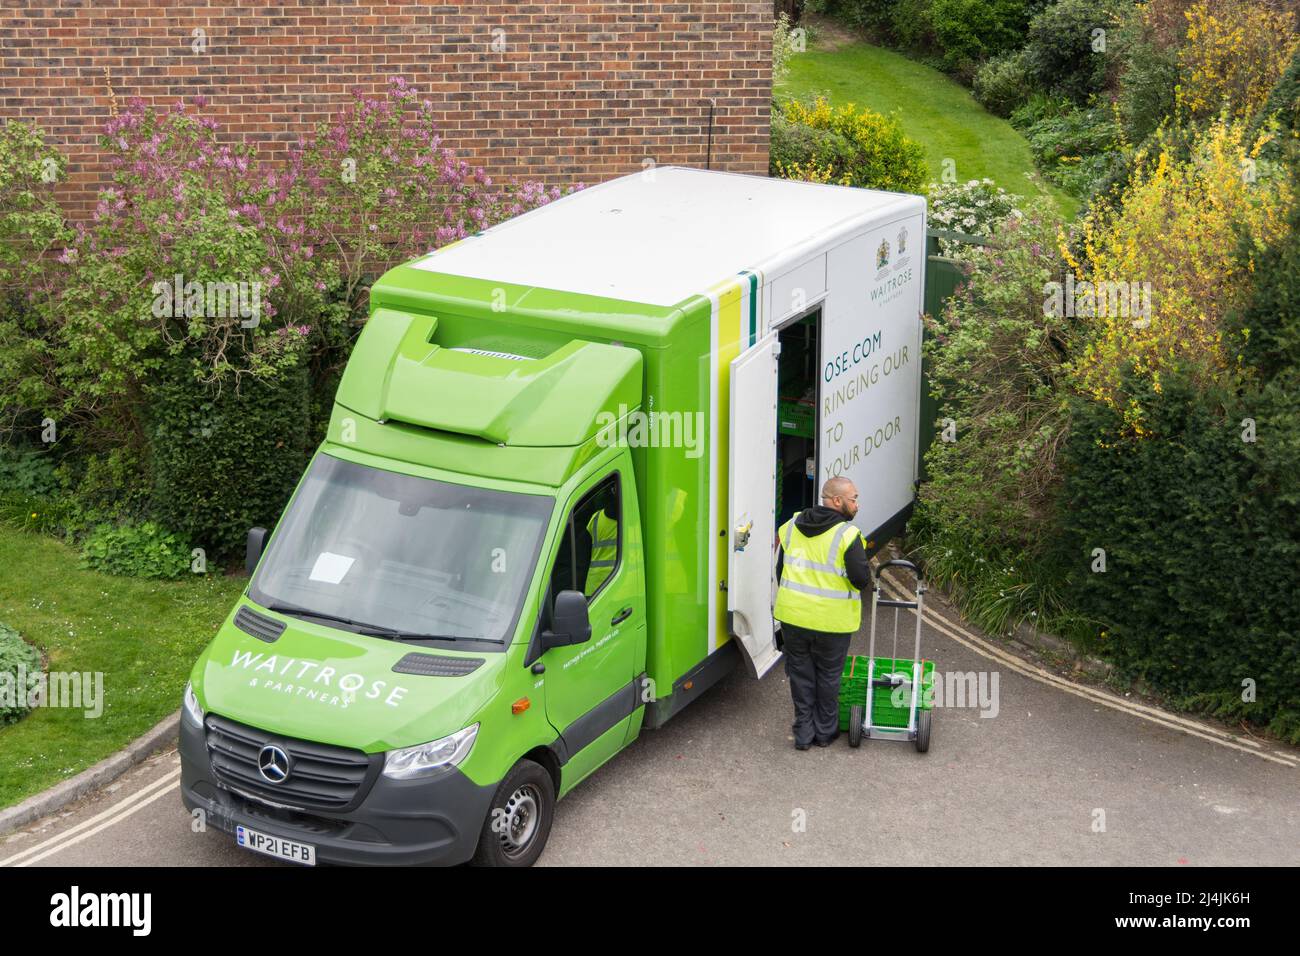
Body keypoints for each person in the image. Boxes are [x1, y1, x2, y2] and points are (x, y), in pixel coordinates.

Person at [774, 476, 873, 749]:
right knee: (828, 677)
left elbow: (780, 570)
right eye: (854, 499)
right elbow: (860, 580)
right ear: (838, 500)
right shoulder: (848, 535)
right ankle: (825, 732)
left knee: (800, 675)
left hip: (793, 617)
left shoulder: (792, 526)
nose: (857, 504)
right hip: (833, 621)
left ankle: (803, 734)